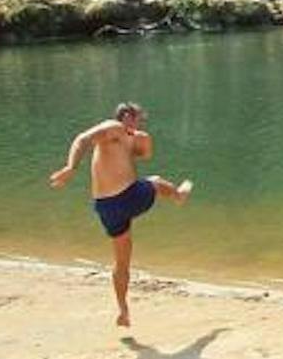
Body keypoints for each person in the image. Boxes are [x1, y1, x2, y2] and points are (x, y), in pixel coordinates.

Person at [49, 101, 192, 327]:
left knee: (122, 261)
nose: (140, 124)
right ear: (126, 116)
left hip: (106, 207)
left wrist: (142, 138)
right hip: (124, 198)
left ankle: (123, 310)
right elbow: (83, 139)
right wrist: (71, 167)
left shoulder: (126, 138)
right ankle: (178, 196)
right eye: (138, 119)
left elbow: (145, 153)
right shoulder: (112, 128)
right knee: (154, 182)